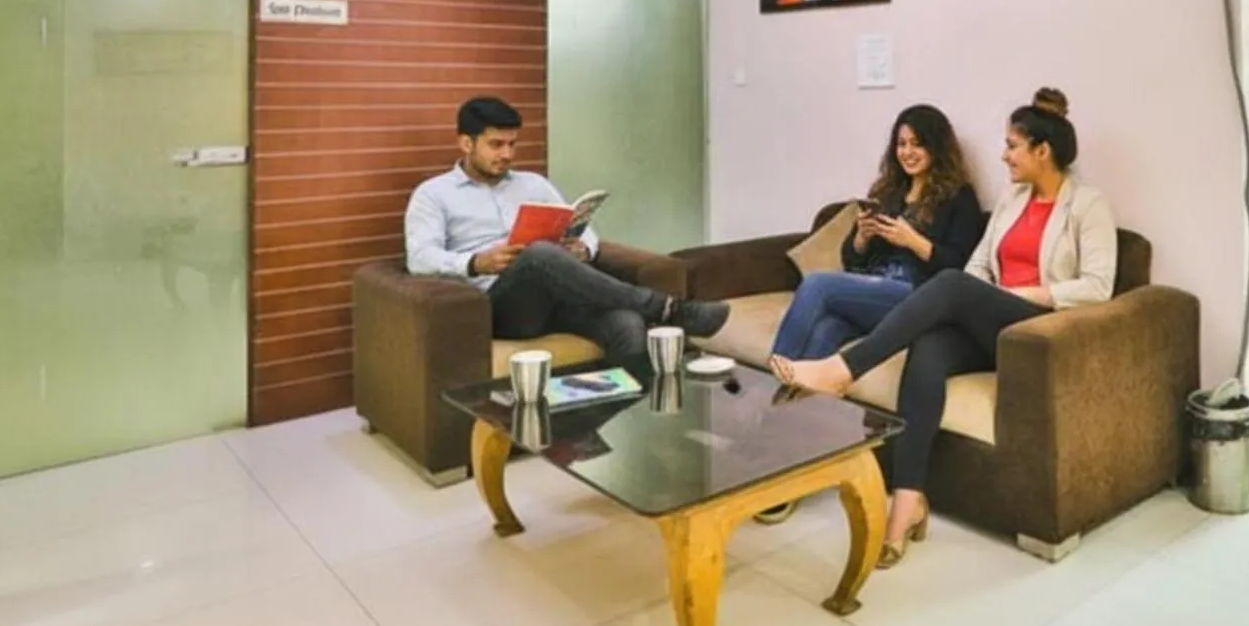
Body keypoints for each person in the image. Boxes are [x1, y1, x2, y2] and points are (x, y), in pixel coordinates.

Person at [773, 88, 1117, 567]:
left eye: (1013, 146)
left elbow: (1098, 286)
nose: (1004, 155)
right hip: (989, 323)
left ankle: (843, 368)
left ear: (1043, 151)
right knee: (929, 351)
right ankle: (907, 504)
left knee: (950, 284)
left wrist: (1006, 296)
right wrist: (971, 298)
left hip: (1038, 327)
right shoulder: (1013, 200)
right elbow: (978, 266)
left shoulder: (1087, 204)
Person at [404, 96, 728, 366]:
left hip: (559, 298)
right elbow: (419, 258)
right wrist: (477, 262)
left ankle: (621, 421)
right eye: (496, 145)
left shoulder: (533, 184)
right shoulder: (434, 194)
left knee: (626, 325)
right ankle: (667, 308)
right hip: (500, 306)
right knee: (538, 255)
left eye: (513, 144)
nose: (507, 154)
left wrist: (583, 248)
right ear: (466, 143)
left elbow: (581, 227)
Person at [769, 104, 985, 362]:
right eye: (901, 144)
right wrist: (862, 237)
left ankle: (776, 365)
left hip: (919, 295)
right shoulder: (890, 191)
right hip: (875, 288)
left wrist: (913, 242)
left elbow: (959, 268)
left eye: (917, 144)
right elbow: (851, 261)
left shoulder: (959, 197)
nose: (907, 153)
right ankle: (792, 394)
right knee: (826, 329)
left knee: (817, 285)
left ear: (936, 147)